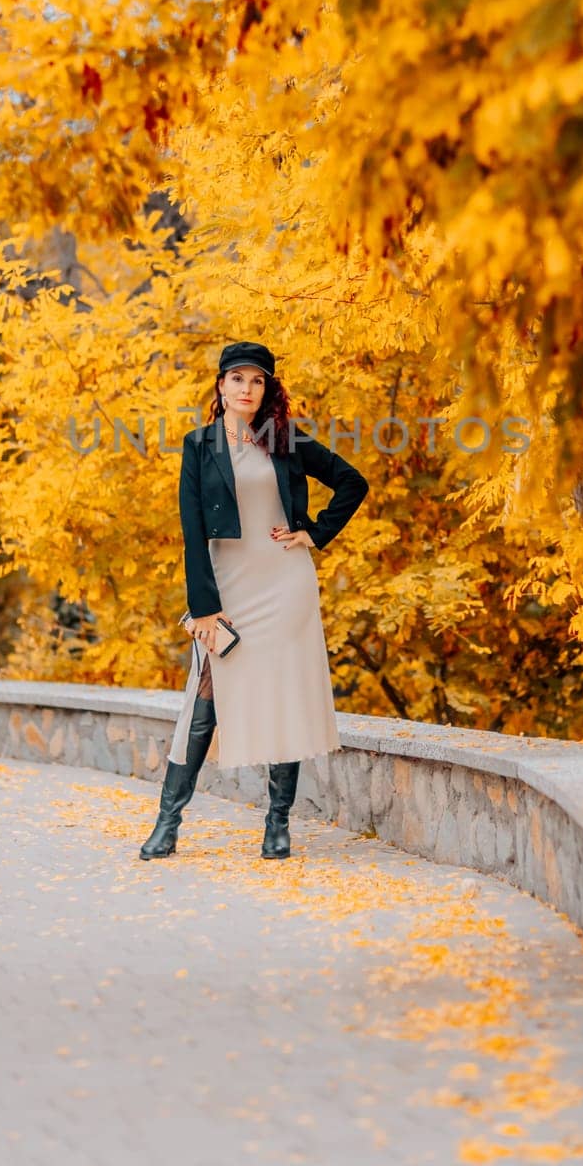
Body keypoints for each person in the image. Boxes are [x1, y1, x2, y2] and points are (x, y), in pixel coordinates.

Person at [139, 340, 369, 862]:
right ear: (221, 386)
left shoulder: (282, 440)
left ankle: (277, 825)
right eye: (237, 379)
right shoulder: (198, 446)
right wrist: (203, 608)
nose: (246, 388)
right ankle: (167, 823)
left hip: (286, 587)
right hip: (228, 593)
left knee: (283, 699)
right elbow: (192, 533)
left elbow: (352, 482)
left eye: (257, 380)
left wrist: (313, 532)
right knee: (202, 707)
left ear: (267, 390)